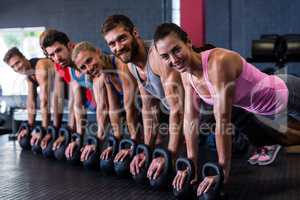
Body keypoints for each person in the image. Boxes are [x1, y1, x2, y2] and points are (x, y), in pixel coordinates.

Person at [153, 22, 300, 196]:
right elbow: (190, 119)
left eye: (176, 50)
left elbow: (223, 122)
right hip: (264, 112)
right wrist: (190, 165)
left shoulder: (218, 63)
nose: (173, 60)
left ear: (188, 42)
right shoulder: (186, 75)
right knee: (287, 140)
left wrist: (221, 171)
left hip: (286, 92)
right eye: (165, 56)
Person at [101, 15, 184, 181]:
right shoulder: (132, 65)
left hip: (216, 108)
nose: (118, 47)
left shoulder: (158, 56)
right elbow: (149, 110)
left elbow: (179, 110)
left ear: (135, 33)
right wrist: (145, 150)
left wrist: (170, 156)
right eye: (112, 44)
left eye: (122, 38)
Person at [71, 41, 140, 163]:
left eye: (89, 60)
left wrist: (132, 144)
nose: (89, 68)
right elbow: (105, 109)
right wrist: (108, 142)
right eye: (83, 67)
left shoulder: (120, 64)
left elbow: (131, 107)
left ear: (98, 52)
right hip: (137, 112)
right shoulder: (100, 77)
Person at [40, 29, 96, 160]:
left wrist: (97, 141)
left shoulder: (88, 63)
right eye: (51, 55)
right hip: (93, 103)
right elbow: (75, 102)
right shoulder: (67, 68)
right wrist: (74, 136)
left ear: (70, 46)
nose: (56, 57)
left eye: (58, 50)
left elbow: (106, 105)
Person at [3, 47, 55, 149]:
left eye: (17, 63)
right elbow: (31, 102)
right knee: (25, 141)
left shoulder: (41, 66)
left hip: (83, 95)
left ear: (24, 57)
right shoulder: (29, 75)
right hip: (68, 97)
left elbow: (45, 102)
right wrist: (29, 127)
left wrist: (43, 131)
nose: (17, 68)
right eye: (13, 66)